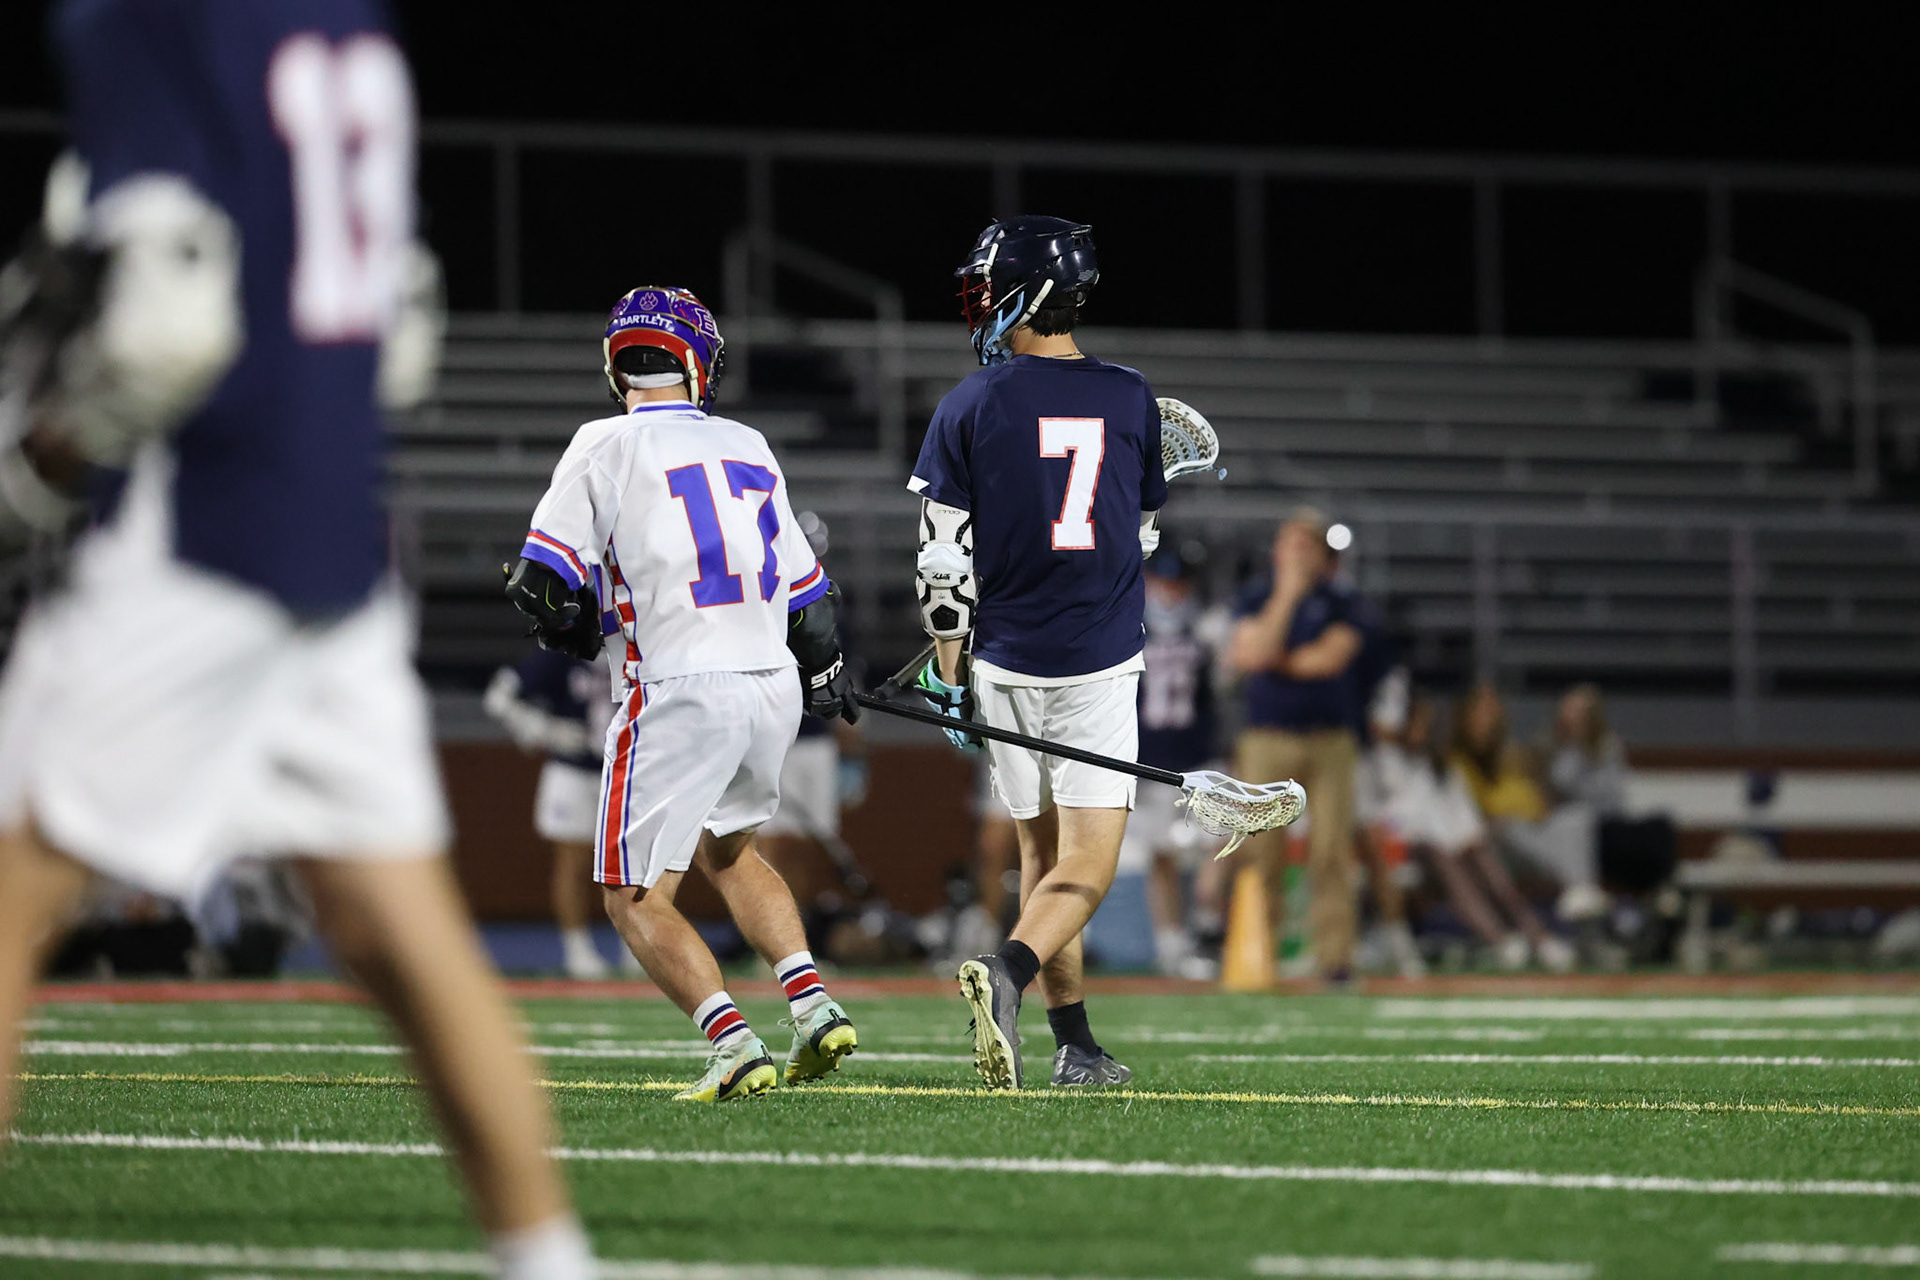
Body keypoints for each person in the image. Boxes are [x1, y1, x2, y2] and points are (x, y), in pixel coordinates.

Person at [0, 4, 594, 1276]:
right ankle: (549, 1260)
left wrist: (47, 443)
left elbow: (160, 315)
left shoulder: (153, 19)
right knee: (397, 928)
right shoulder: (346, 19)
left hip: (204, 521)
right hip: (334, 527)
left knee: (9, 891)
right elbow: (403, 321)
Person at [507, 286, 861, 1103]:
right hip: (768, 680)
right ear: (699, 365)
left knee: (632, 895)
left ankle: (733, 1042)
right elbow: (812, 604)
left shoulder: (603, 443)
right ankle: (812, 1005)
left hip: (675, 685)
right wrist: (826, 674)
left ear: (616, 365)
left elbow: (540, 586)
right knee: (731, 849)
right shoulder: (748, 441)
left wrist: (569, 624)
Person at [910, 215, 1166, 1089]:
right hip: (1095, 656)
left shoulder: (968, 401)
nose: (980, 303)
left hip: (1004, 659)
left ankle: (1076, 1044)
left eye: (987, 287)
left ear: (1029, 292)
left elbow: (942, 566)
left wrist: (947, 678)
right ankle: (1008, 976)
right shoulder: (1131, 395)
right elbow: (1139, 533)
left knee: (1039, 858)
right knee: (1088, 863)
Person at [1225, 509, 1365, 980]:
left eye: (1306, 545)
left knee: (1330, 850)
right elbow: (1248, 654)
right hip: (1267, 738)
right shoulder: (1258, 595)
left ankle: (1335, 958)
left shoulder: (1342, 601)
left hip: (1329, 740)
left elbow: (1327, 660)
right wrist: (1286, 597)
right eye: (1290, 544)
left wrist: (1273, 654)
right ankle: (1260, 952)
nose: (1296, 554)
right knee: (1263, 851)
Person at [1367, 689, 1570, 971]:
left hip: (1450, 843)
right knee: (1446, 860)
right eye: (1416, 724)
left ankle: (1538, 937)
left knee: (1486, 859)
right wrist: (1443, 839)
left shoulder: (1440, 767)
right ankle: (1498, 939)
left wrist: (1469, 839)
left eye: (1427, 726)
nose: (1422, 732)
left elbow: (1462, 815)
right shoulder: (1381, 763)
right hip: (1412, 850)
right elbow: (1390, 817)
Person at [484, 648, 633, 980]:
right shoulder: (565, 651)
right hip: (574, 770)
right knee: (574, 863)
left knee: (632, 864)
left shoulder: (639, 642)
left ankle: (637, 948)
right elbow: (500, 697)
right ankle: (577, 949)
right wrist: (546, 730)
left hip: (629, 769)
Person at [1119, 544, 1231, 977]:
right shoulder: (1127, 621)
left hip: (1199, 754)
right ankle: (1171, 942)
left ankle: (1206, 928)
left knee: (1220, 845)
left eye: (1177, 582)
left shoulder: (1209, 628)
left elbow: (1227, 683)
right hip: (1147, 756)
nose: (1169, 591)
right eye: (1163, 581)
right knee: (1159, 854)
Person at [756, 512, 870, 908]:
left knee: (810, 843)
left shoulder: (832, 605)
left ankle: (797, 927)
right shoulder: (760, 602)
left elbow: (846, 671)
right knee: (770, 841)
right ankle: (770, 935)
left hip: (817, 737)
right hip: (776, 733)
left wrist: (853, 746)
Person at [1452, 682, 1604, 931]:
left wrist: (1540, 809)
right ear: (1465, 717)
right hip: (1495, 845)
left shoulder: (1511, 755)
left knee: (1577, 816)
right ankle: (1578, 889)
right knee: (1508, 829)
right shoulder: (1456, 761)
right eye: (1482, 714)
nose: (1489, 722)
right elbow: (1470, 816)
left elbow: (1535, 797)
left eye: (1494, 713)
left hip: (1534, 833)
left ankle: (1580, 890)